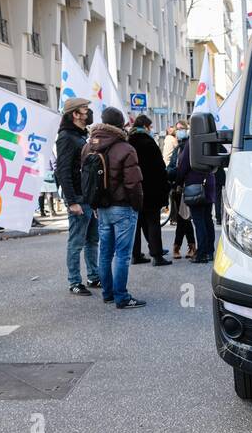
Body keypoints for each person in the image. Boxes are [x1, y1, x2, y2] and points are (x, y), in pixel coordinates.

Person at [83, 106, 146, 309]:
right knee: (122, 254)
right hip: (123, 207)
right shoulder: (125, 149)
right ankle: (122, 296)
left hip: (101, 207)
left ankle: (108, 294)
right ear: (121, 125)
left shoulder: (89, 146)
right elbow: (133, 183)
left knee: (105, 252)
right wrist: (137, 205)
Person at [55, 97, 100, 296]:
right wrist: (71, 201)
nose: (88, 113)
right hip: (79, 199)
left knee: (92, 240)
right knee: (76, 242)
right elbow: (63, 170)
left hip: (88, 197)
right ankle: (74, 281)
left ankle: (94, 276)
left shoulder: (81, 135)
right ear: (75, 114)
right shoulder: (66, 137)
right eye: (85, 110)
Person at [128, 115, 171, 266]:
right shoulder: (148, 143)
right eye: (150, 127)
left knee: (137, 223)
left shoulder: (128, 141)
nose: (151, 129)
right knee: (153, 222)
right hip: (151, 189)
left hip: (134, 190)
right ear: (146, 126)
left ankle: (136, 255)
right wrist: (165, 188)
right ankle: (157, 255)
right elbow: (159, 168)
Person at [173, 121, 217, 264]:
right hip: (209, 181)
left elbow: (183, 165)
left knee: (199, 221)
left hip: (195, 184)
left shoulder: (192, 142)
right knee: (207, 219)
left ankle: (201, 253)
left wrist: (178, 182)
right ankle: (210, 251)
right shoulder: (211, 140)